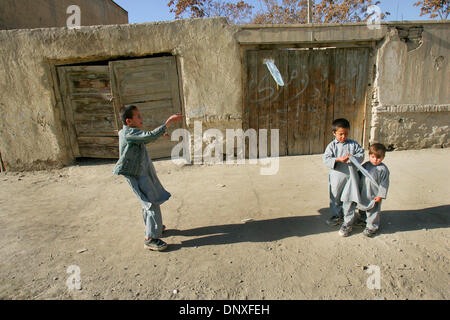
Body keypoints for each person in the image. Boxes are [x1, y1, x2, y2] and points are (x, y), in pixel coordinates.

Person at [113, 105, 183, 251]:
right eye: (137, 116)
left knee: (147, 201)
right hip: (137, 174)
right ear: (129, 121)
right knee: (151, 203)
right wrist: (168, 122)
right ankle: (150, 238)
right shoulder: (128, 134)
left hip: (141, 172)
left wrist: (157, 134)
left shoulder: (128, 132)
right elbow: (148, 136)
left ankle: (153, 227)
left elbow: (145, 138)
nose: (141, 118)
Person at [322, 118, 365, 237]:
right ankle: (337, 215)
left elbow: (361, 154)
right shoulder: (331, 146)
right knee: (335, 197)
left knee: (349, 199)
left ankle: (348, 222)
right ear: (334, 133)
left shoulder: (354, 144)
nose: (343, 136)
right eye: (340, 134)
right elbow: (326, 159)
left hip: (351, 177)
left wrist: (353, 157)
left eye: (346, 133)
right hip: (336, 177)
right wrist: (337, 159)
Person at [357, 143, 390, 237]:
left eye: (378, 158)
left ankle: (372, 227)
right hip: (364, 191)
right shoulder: (366, 165)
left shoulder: (383, 169)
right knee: (362, 206)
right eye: (373, 157)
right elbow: (359, 173)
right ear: (369, 155)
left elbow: (384, 184)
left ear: (383, 157)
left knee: (373, 211)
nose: (375, 160)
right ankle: (363, 219)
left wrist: (380, 195)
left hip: (374, 195)